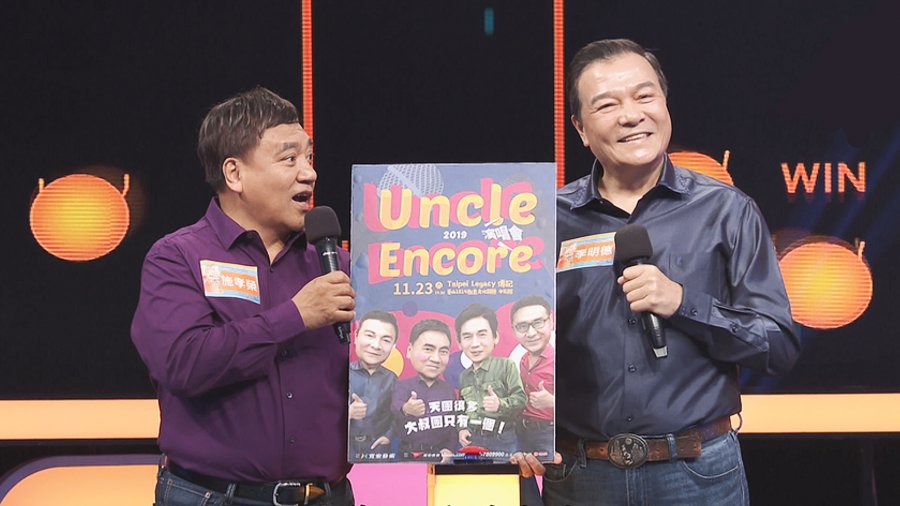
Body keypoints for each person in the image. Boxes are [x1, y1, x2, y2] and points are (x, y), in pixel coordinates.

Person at [512, 39, 800, 505]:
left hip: (698, 474)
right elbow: (508, 338)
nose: (631, 115)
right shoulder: (542, 221)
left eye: (644, 96)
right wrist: (515, 429)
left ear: (664, 105)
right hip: (581, 476)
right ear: (581, 128)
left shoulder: (726, 211)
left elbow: (778, 345)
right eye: (607, 105)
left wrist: (682, 303)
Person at [131, 86, 356, 506]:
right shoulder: (177, 257)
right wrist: (296, 316)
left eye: (309, 157)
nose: (309, 173)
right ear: (234, 174)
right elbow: (184, 363)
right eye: (289, 159)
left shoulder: (336, 265)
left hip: (325, 497)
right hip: (211, 496)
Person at [455, 303, 526, 457]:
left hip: (502, 439)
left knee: (505, 473)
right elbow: (462, 407)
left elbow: (521, 399)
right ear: (459, 343)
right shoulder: (464, 376)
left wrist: (500, 404)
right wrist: (462, 429)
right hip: (473, 439)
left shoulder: (506, 366)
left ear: (495, 337)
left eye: (482, 334)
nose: (475, 344)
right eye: (467, 336)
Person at [392, 318, 459, 461]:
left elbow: (453, 426)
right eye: (428, 349)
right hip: (406, 456)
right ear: (409, 350)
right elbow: (392, 411)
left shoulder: (448, 391)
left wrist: (449, 449)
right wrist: (406, 409)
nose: (436, 359)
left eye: (443, 351)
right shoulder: (401, 386)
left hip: (438, 456)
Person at [349, 310, 399, 460]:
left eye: (386, 340)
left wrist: (389, 436)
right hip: (343, 451)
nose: (376, 345)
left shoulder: (392, 379)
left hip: (379, 451)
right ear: (356, 335)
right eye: (370, 335)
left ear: (393, 346)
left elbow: (397, 415)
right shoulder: (339, 374)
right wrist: (348, 413)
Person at [510, 295, 555, 458]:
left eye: (538, 323)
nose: (531, 333)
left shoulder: (562, 360)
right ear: (514, 330)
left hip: (548, 433)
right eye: (522, 326)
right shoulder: (522, 359)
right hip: (521, 432)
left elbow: (583, 405)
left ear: (551, 321)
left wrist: (552, 402)